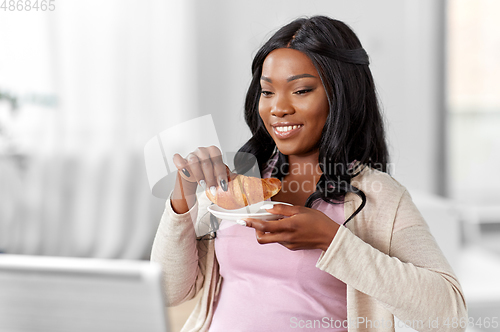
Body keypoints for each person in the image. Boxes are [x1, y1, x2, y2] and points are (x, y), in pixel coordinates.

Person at [151, 16, 467, 332]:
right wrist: (183, 196)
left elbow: (449, 318)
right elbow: (168, 292)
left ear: (340, 95)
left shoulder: (380, 196)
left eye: (301, 90)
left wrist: (331, 240)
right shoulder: (238, 185)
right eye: (267, 91)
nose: (278, 108)